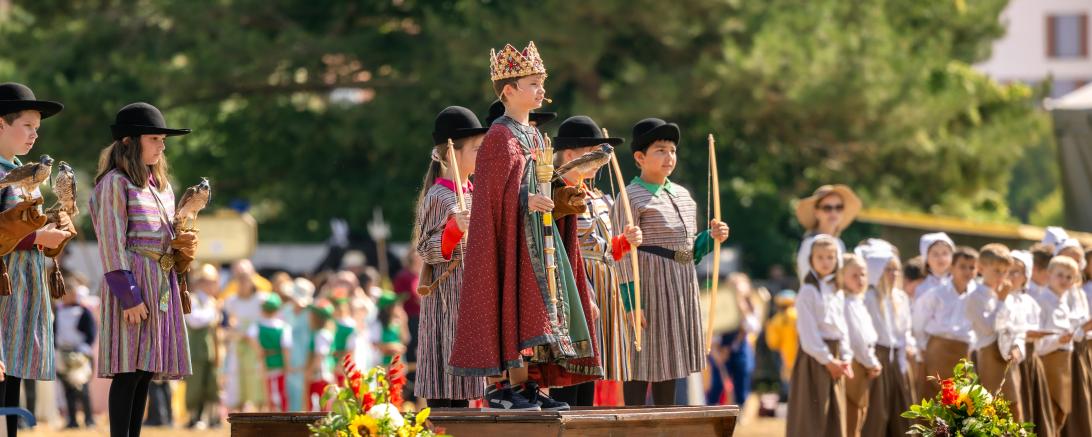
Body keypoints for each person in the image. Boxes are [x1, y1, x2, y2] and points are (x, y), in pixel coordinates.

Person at [91, 102, 197, 437]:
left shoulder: (161, 186)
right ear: (129, 141)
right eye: (154, 138)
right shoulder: (114, 183)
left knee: (146, 372)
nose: (162, 144)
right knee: (128, 372)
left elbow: (166, 237)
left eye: (162, 139)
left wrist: (181, 249)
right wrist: (129, 294)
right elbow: (111, 242)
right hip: (132, 280)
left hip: (161, 280)